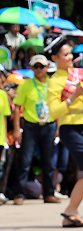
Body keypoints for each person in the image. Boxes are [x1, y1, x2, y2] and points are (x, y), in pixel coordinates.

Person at [45, 34, 83, 226]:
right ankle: (70, 210)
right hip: (69, 127)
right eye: (65, 55)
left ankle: (72, 213)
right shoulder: (54, 81)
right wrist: (73, 96)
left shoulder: (81, 73)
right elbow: (54, 111)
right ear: (55, 58)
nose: (70, 57)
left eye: (70, 53)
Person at [11, 54, 59, 205]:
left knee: (49, 161)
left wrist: (58, 127)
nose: (39, 69)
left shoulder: (53, 84)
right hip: (31, 126)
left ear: (47, 67)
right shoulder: (25, 85)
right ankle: (19, 194)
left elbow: (58, 106)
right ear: (31, 68)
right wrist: (17, 128)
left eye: (41, 66)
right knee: (25, 160)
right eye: (36, 66)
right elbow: (17, 107)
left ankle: (49, 193)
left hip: (49, 125)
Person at [0, 65, 11, 202]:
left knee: (1, 166)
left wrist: (5, 137)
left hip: (0, 137)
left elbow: (4, 117)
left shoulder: (2, 95)